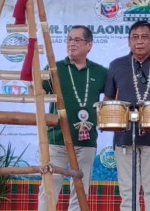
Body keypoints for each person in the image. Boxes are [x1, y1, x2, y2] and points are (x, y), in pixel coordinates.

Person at [104, 20, 150, 211]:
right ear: (129, 41)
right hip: (123, 135)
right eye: (134, 37)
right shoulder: (116, 65)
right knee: (128, 191)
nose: (139, 42)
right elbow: (109, 98)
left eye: (144, 37)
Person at [38, 25, 107, 211]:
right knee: (50, 187)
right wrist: (34, 86)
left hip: (86, 141)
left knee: (80, 190)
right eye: (69, 39)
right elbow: (39, 92)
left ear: (89, 45)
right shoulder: (54, 68)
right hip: (56, 138)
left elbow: (112, 96)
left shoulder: (100, 72)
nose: (72, 43)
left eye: (77, 40)